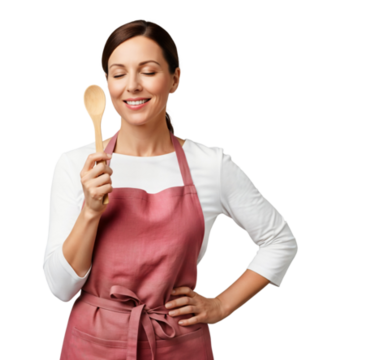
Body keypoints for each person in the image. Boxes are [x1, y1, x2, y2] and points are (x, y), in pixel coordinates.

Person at [43, 19, 298, 359]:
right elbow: (60, 290)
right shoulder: (76, 164)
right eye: (118, 74)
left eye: (148, 71)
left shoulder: (210, 164)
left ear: (175, 78)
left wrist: (221, 305)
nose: (132, 86)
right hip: (92, 346)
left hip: (179, 346)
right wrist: (90, 210)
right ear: (107, 85)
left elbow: (280, 239)